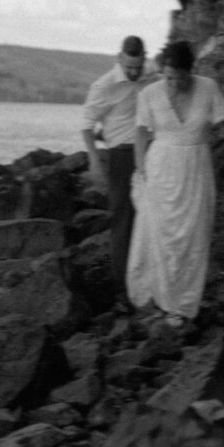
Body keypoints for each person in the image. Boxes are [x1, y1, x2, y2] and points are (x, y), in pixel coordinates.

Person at [127, 40, 224, 327]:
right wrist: (140, 171)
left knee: (192, 237)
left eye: (178, 77)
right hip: (160, 168)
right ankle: (160, 298)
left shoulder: (208, 88)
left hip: (196, 168)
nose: (171, 84)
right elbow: (139, 133)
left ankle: (181, 305)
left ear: (190, 71)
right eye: (167, 77)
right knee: (161, 234)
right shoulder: (149, 93)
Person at [81, 35, 158, 314]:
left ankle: (151, 284)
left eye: (138, 66)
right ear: (120, 59)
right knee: (123, 221)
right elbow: (87, 124)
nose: (135, 72)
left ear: (143, 58)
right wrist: (94, 160)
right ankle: (122, 290)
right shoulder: (104, 86)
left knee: (151, 218)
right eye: (130, 67)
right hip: (121, 156)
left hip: (152, 151)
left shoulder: (151, 76)